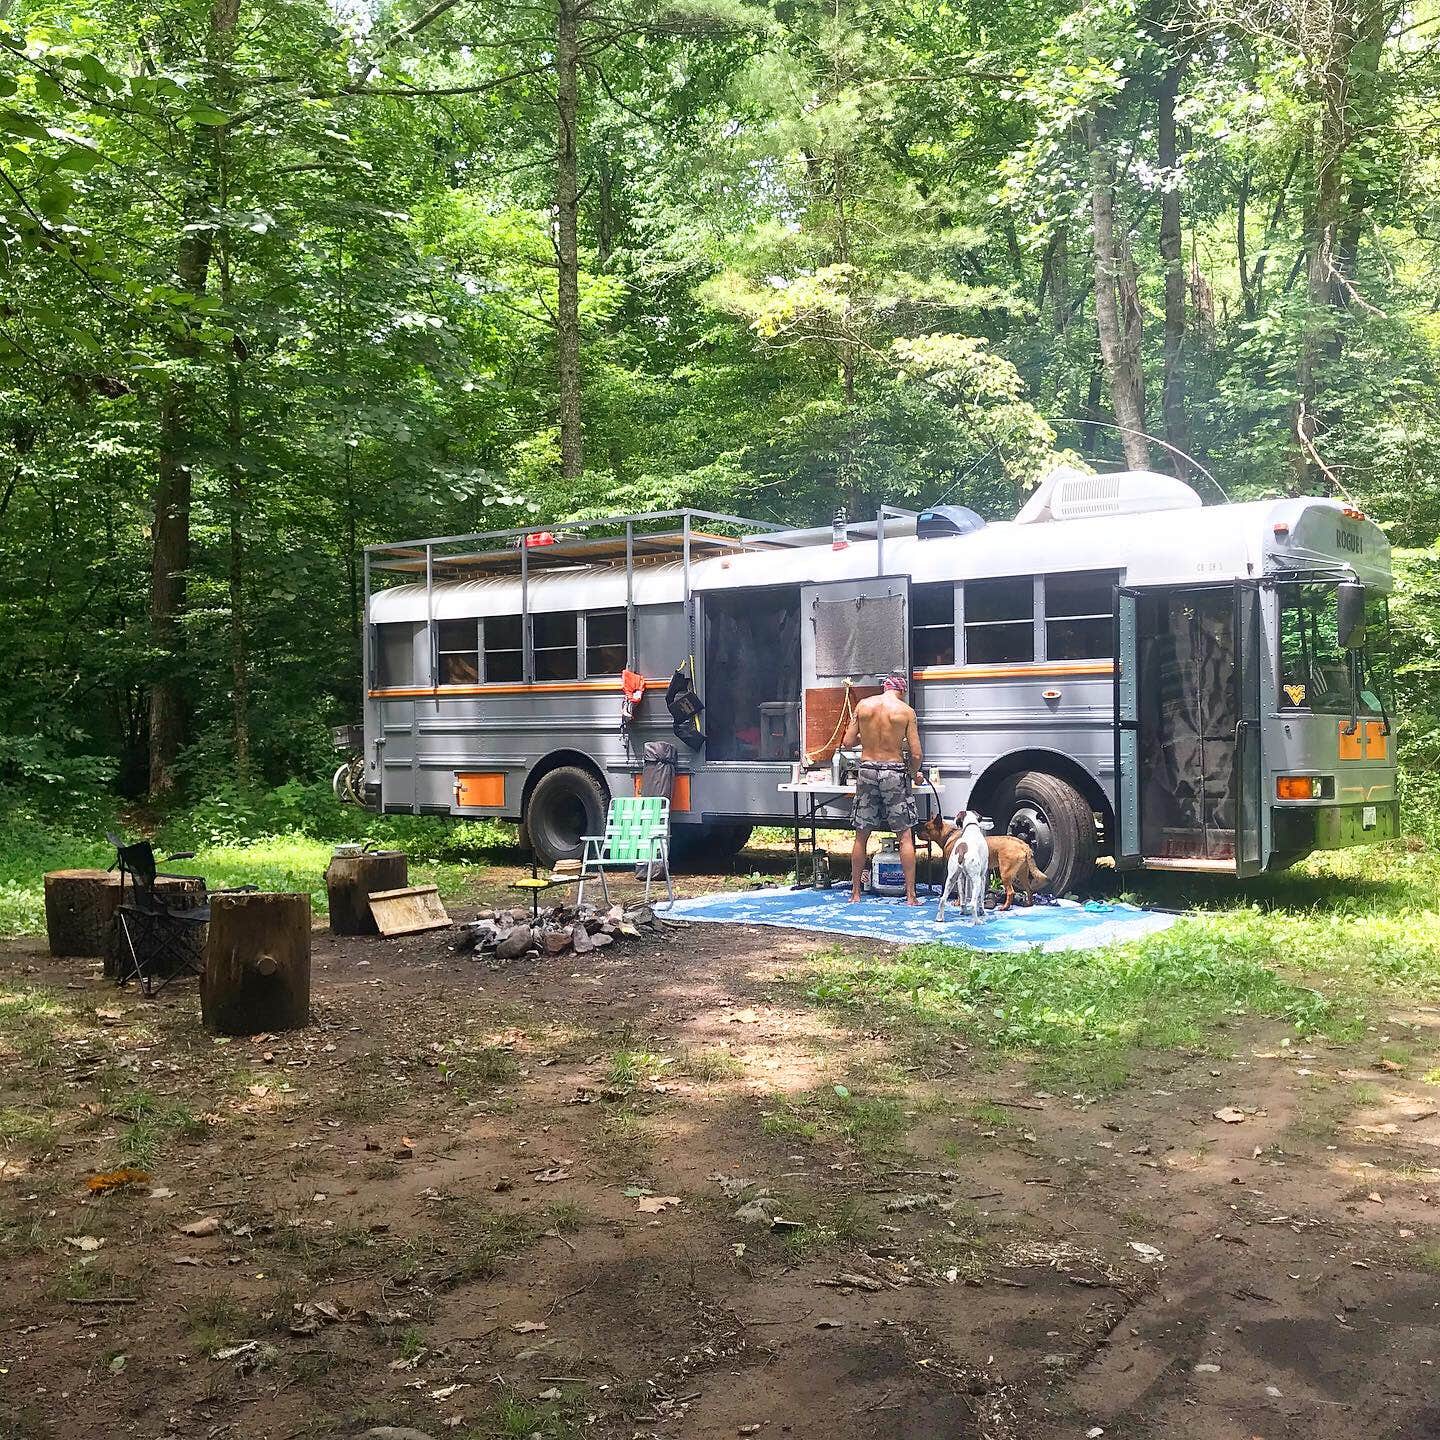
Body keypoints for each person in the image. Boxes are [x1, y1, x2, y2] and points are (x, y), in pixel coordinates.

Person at [843, 674, 922, 905]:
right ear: (902, 691)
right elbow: (916, 754)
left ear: (884, 687)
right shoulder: (906, 712)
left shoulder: (863, 706)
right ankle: (911, 896)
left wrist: (867, 738)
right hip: (894, 772)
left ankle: (855, 893)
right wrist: (912, 772)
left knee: (861, 834)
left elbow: (848, 742)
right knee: (905, 835)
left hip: (867, 770)